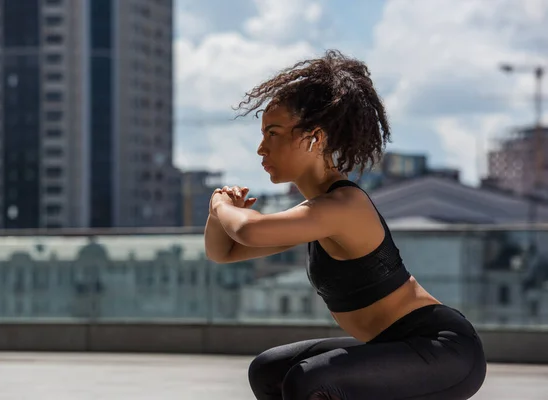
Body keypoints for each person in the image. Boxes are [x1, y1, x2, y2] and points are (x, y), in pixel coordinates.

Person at [204, 50, 487, 400]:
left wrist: (221, 204)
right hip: (395, 345)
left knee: (310, 381)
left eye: (273, 133)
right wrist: (217, 213)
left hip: (443, 352)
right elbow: (225, 251)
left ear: (315, 138)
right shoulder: (316, 214)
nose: (261, 148)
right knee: (270, 370)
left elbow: (249, 230)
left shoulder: (344, 206)